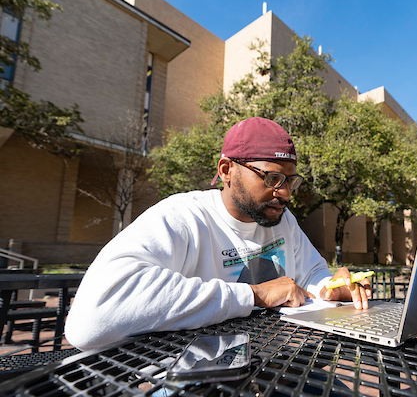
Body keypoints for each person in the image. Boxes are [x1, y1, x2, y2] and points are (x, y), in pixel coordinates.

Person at [65, 117, 371, 351]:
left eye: (291, 181)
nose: (286, 193)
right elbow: (90, 321)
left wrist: (327, 286)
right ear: (226, 170)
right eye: (272, 178)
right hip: (193, 379)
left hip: (273, 366)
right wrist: (254, 295)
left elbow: (311, 273)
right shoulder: (182, 217)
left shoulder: (283, 220)